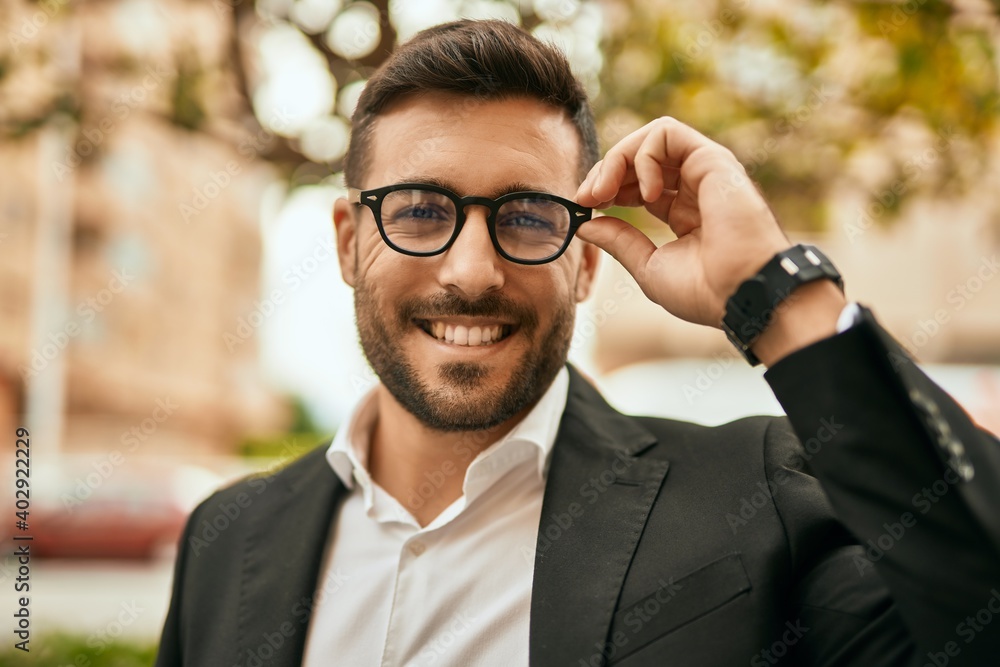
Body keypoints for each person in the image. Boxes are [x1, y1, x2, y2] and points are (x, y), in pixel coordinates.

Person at [155, 19, 1000, 667]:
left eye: (526, 217)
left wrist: (779, 298)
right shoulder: (225, 539)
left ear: (586, 262)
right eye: (419, 210)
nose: (472, 271)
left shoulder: (760, 499)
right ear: (348, 241)